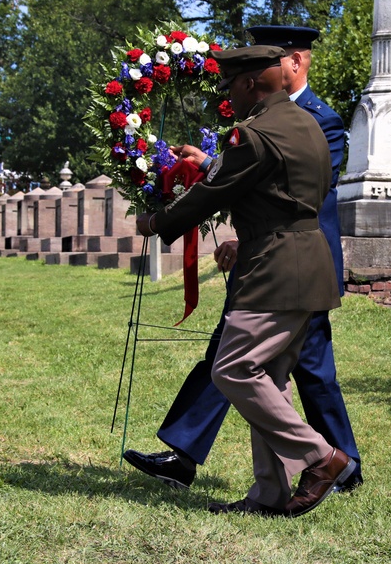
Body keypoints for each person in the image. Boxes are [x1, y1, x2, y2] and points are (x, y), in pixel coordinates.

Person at [123, 25, 362, 493]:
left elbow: (218, 191)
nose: (228, 93)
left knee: (235, 368)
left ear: (251, 83)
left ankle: (326, 457)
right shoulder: (303, 125)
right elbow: (269, 185)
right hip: (295, 260)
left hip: (276, 266)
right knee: (269, 376)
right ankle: (268, 493)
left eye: (232, 83)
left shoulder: (263, 131)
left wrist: (155, 223)